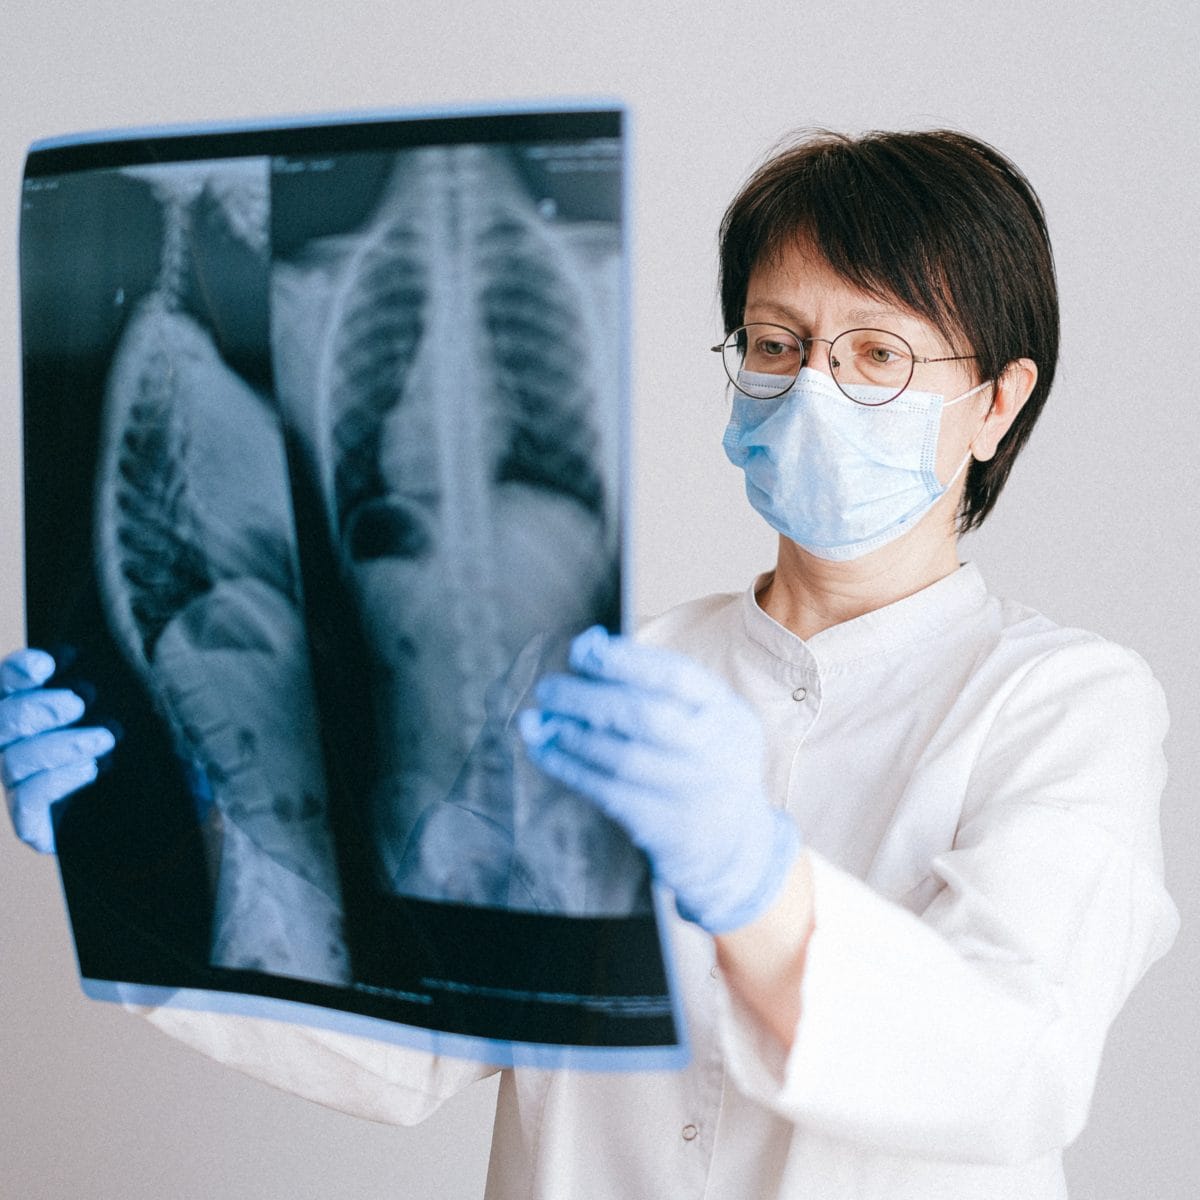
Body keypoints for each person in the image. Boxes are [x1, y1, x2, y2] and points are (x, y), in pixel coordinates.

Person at [1, 128, 1178, 1199]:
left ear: (995, 404)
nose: (814, 389)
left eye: (878, 356)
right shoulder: (602, 681)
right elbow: (423, 1029)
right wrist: (147, 864)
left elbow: (1021, 1063)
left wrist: (756, 881)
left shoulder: (1066, 704)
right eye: (777, 344)